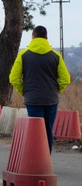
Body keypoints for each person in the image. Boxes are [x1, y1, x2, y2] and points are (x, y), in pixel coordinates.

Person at [10, 25, 71, 154]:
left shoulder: (23, 55)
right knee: (48, 129)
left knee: (35, 130)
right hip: (51, 100)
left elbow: (14, 78)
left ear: (33, 37)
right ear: (46, 38)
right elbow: (65, 79)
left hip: (33, 100)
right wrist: (55, 91)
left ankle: (35, 159)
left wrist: (25, 91)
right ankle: (46, 160)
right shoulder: (56, 56)